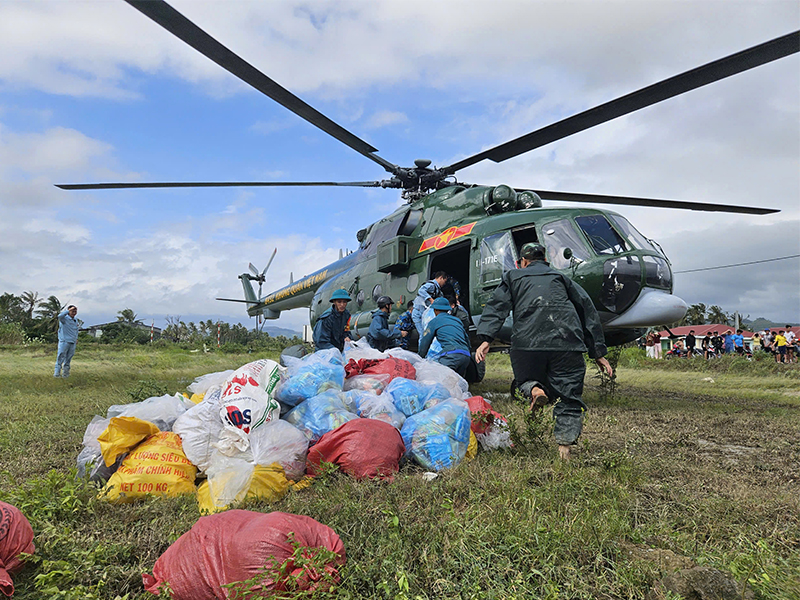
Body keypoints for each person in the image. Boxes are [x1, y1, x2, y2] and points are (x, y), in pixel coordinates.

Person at [475, 243, 613, 461]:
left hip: (527, 344)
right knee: (569, 395)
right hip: (567, 343)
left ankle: (535, 390)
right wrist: (598, 353)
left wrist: (485, 339)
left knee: (524, 381)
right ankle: (564, 450)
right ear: (545, 261)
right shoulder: (562, 278)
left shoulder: (513, 276)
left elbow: (496, 307)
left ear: (523, 262)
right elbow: (587, 309)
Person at [418, 297, 473, 377]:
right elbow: (466, 339)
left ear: (435, 310)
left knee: (442, 382)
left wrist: (420, 359)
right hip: (465, 356)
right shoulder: (457, 320)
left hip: (450, 356)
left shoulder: (434, 322)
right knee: (458, 384)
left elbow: (425, 342)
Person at [54, 305, 79, 377]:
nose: (74, 312)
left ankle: (66, 375)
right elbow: (59, 316)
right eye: (72, 311)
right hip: (64, 341)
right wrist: (68, 310)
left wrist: (76, 338)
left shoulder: (75, 320)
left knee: (68, 359)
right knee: (60, 358)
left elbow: (75, 330)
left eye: (75, 311)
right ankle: (56, 374)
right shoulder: (64, 319)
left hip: (72, 342)